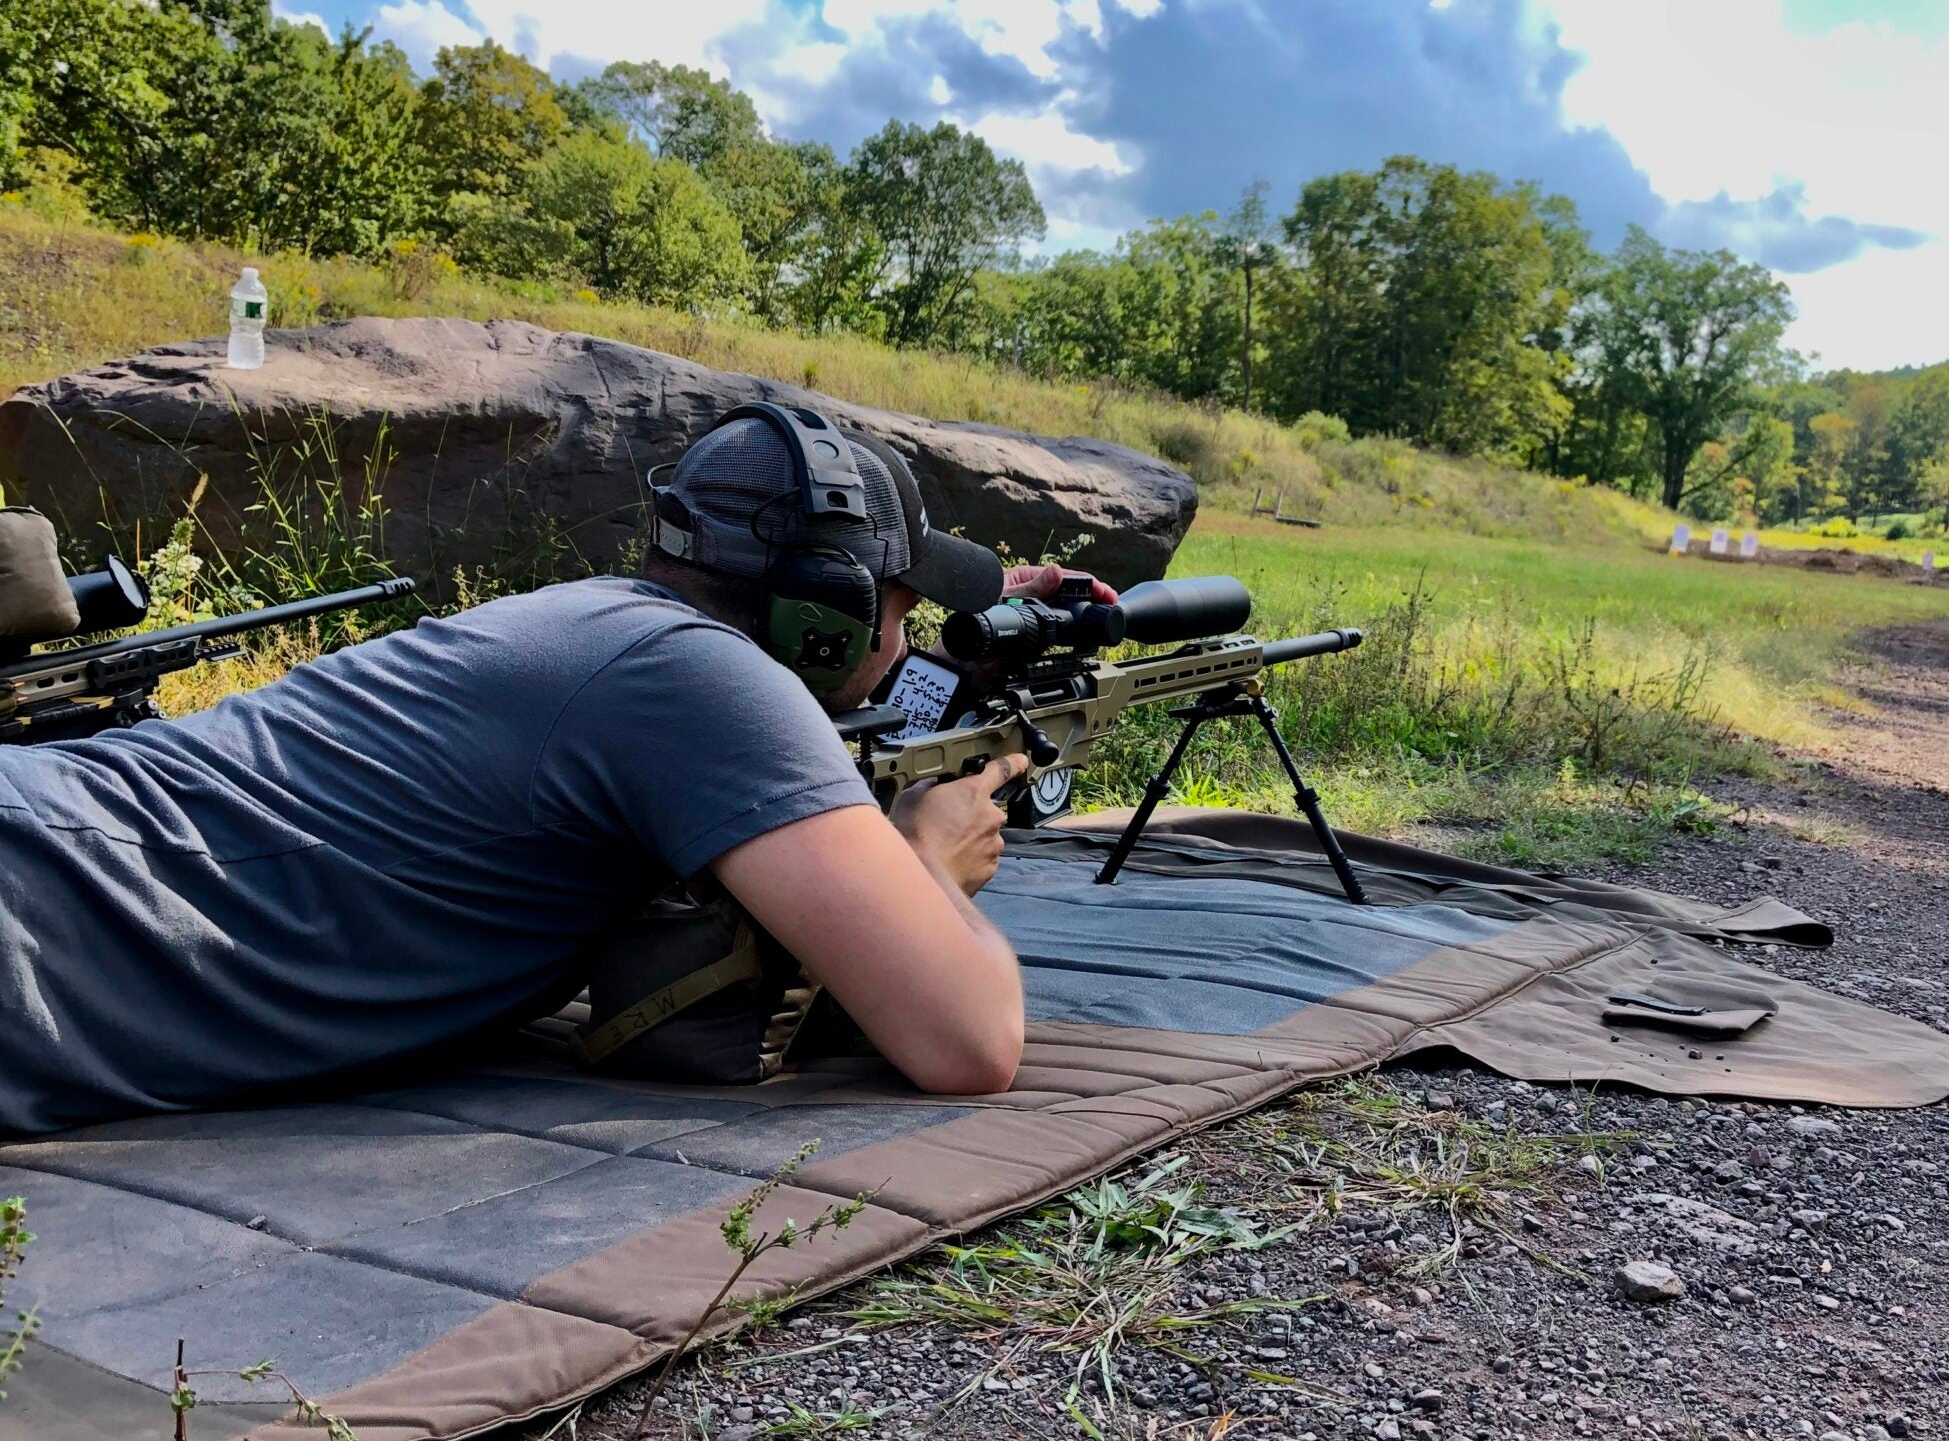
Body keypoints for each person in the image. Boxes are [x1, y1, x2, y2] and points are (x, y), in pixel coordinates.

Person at [0, 404, 1114, 1136]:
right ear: (822, 613)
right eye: (900, 604)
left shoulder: (597, 627)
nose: (906, 635)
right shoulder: (714, 687)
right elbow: (969, 1040)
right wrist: (924, 857)